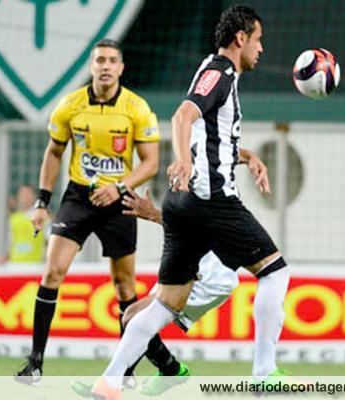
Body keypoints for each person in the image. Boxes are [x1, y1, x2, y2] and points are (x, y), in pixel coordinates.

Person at [91, 6, 290, 398]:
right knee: (274, 273)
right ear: (241, 38)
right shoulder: (220, 72)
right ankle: (264, 373)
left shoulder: (214, 72)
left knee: (165, 303)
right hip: (213, 200)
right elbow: (182, 117)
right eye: (258, 40)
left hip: (183, 202)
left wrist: (247, 157)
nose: (261, 49)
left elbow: (211, 140)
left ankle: (109, 382)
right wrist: (182, 159)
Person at [73, 147, 278, 397]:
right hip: (196, 261)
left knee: (137, 318)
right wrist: (252, 158)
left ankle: (116, 382)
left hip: (212, 274)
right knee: (131, 315)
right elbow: (234, 154)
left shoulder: (210, 183)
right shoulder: (198, 159)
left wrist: (153, 214)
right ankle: (163, 371)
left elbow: (199, 225)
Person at [15, 38, 160, 385]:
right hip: (79, 197)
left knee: (125, 287)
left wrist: (119, 187)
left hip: (119, 201)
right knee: (53, 271)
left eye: (111, 61)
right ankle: (35, 363)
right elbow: (54, 152)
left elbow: (151, 163)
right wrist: (42, 202)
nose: (105, 66)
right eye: (100, 60)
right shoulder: (70, 105)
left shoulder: (137, 108)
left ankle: (126, 371)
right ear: (92, 66)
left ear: (121, 68)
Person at [0, 186, 47, 264]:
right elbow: (11, 243)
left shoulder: (41, 217)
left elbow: (48, 242)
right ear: (18, 197)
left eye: (28, 194)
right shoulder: (13, 218)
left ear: (34, 197)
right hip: (16, 264)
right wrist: (5, 258)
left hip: (36, 265)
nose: (25, 198)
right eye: (22, 195)